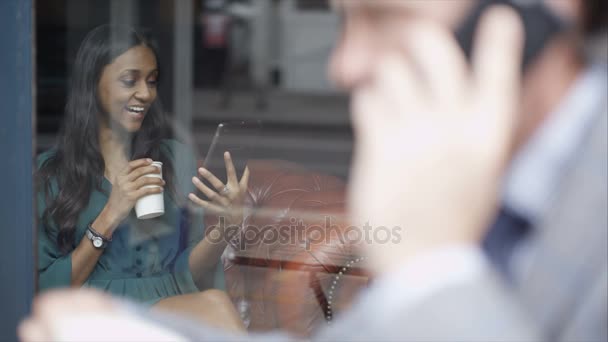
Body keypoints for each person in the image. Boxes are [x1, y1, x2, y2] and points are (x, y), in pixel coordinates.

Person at [20, 0, 607, 340]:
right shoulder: (51, 175)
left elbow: (190, 274)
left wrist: (434, 265)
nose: (341, 64)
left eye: (381, 18)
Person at [34, 25, 248, 332]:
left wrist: (225, 229)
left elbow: (189, 273)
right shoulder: (51, 173)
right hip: (93, 312)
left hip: (172, 300)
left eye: (152, 81)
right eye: (129, 80)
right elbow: (45, 288)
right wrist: (110, 214)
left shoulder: (174, 159)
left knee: (212, 303)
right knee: (213, 308)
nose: (146, 93)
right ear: (93, 83)